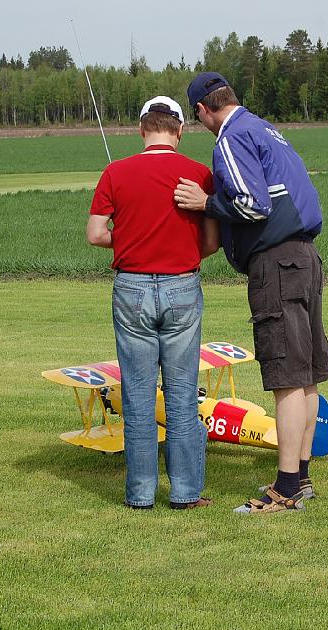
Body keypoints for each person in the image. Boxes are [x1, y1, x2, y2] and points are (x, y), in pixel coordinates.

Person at [174, 73, 328, 515]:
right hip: (305, 257)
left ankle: (283, 490)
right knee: (305, 374)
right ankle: (299, 477)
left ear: (203, 111)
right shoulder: (266, 129)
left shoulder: (231, 137)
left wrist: (204, 203)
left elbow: (252, 204)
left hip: (276, 263)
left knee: (284, 374)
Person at [87, 95, 219, 510]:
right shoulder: (199, 174)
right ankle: (185, 494)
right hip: (182, 287)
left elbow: (95, 233)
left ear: (142, 129)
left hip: (131, 290)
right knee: (181, 395)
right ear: (179, 131)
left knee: (139, 395)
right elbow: (212, 241)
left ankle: (140, 495)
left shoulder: (116, 171)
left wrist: (126, 238)